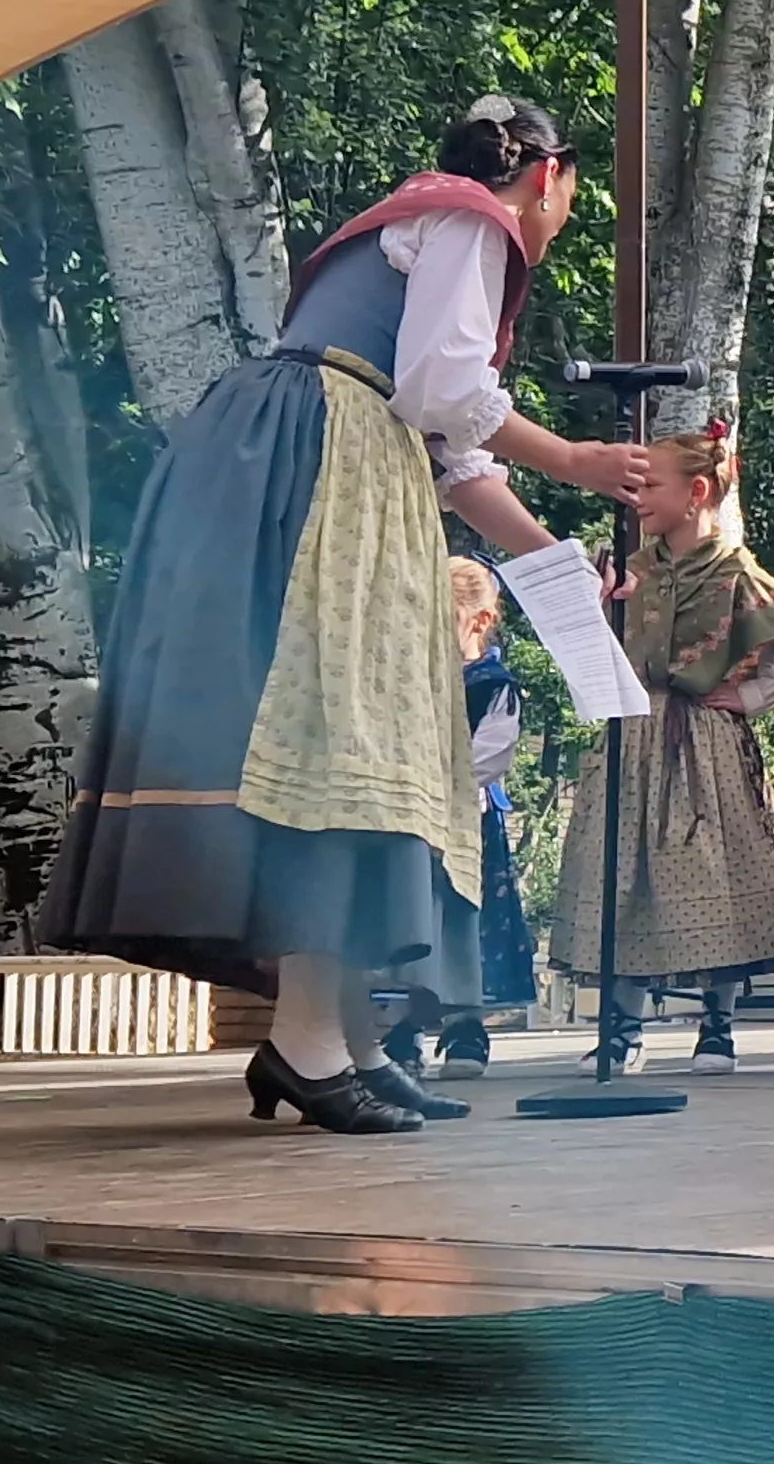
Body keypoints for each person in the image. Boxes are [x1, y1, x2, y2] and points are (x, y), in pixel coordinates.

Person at [43, 96, 652, 1135]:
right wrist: (578, 461)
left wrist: (556, 564)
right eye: (568, 204)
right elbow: (443, 387)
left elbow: (455, 456)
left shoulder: (408, 227)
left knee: (361, 752)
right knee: (339, 744)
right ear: (547, 178)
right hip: (323, 467)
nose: (555, 226)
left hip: (307, 455)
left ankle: (342, 1037)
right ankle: (308, 1042)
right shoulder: (473, 218)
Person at [552, 424, 774, 1075]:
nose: (637, 496)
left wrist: (753, 694)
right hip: (634, 732)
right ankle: (621, 1024)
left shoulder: (736, 571)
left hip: (702, 739)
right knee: (621, 870)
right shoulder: (632, 570)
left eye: (651, 485)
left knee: (712, 872)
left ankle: (718, 1024)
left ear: (697, 491)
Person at [375, 559, 543, 1085]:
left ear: (480, 620)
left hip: (465, 819)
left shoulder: (492, 685)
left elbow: (490, 755)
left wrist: (435, 778)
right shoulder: (404, 682)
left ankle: (467, 1025)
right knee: (412, 917)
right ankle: (403, 1028)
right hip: (408, 816)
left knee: (465, 919)